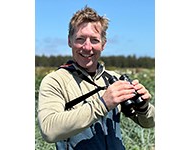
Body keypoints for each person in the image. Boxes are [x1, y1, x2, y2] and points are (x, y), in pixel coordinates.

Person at [37, 6, 155, 150]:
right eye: (80, 39)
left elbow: (149, 123)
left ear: (103, 44)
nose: (87, 47)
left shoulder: (115, 79)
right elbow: (49, 130)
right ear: (69, 41)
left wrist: (143, 107)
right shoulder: (56, 81)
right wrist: (103, 104)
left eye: (94, 40)